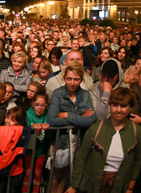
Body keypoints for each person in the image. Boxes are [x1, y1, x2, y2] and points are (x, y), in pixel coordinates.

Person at [66, 87, 141, 193]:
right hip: (94, 184)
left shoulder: (136, 131)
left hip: (119, 184)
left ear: (130, 108)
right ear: (110, 106)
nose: (119, 110)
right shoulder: (96, 128)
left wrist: (130, 188)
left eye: (123, 106)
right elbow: (81, 158)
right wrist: (74, 186)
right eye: (115, 105)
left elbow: (137, 161)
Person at [48, 62, 96, 193]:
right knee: (56, 175)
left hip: (78, 142)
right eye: (69, 79)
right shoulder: (58, 93)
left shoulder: (85, 95)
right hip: (61, 142)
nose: (72, 83)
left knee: (67, 176)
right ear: (64, 78)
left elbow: (91, 119)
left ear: (81, 80)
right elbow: (51, 120)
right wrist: (80, 117)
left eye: (76, 79)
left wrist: (65, 115)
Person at [22, 92, 51, 193]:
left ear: (46, 106)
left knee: (38, 172)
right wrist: (34, 125)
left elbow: (50, 122)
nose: (39, 108)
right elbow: (27, 125)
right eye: (37, 105)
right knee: (28, 172)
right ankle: (25, 190)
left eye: (42, 105)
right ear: (33, 104)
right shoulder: (28, 113)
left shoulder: (48, 114)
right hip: (29, 149)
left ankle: (36, 190)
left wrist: (47, 125)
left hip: (41, 149)